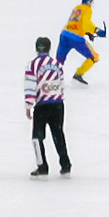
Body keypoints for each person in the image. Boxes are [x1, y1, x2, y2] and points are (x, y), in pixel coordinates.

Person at [25, 36, 72, 179]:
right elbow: (61, 82)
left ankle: (42, 167)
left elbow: (30, 85)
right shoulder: (56, 64)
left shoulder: (33, 65)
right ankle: (65, 165)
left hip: (42, 105)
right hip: (57, 103)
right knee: (58, 133)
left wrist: (28, 104)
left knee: (37, 137)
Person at [56, 0, 106, 85]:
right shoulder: (87, 9)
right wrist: (96, 30)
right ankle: (78, 75)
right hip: (76, 38)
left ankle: (53, 77)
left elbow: (76, 23)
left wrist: (88, 32)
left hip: (65, 34)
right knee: (93, 57)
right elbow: (85, 23)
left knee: (59, 60)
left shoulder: (77, 7)